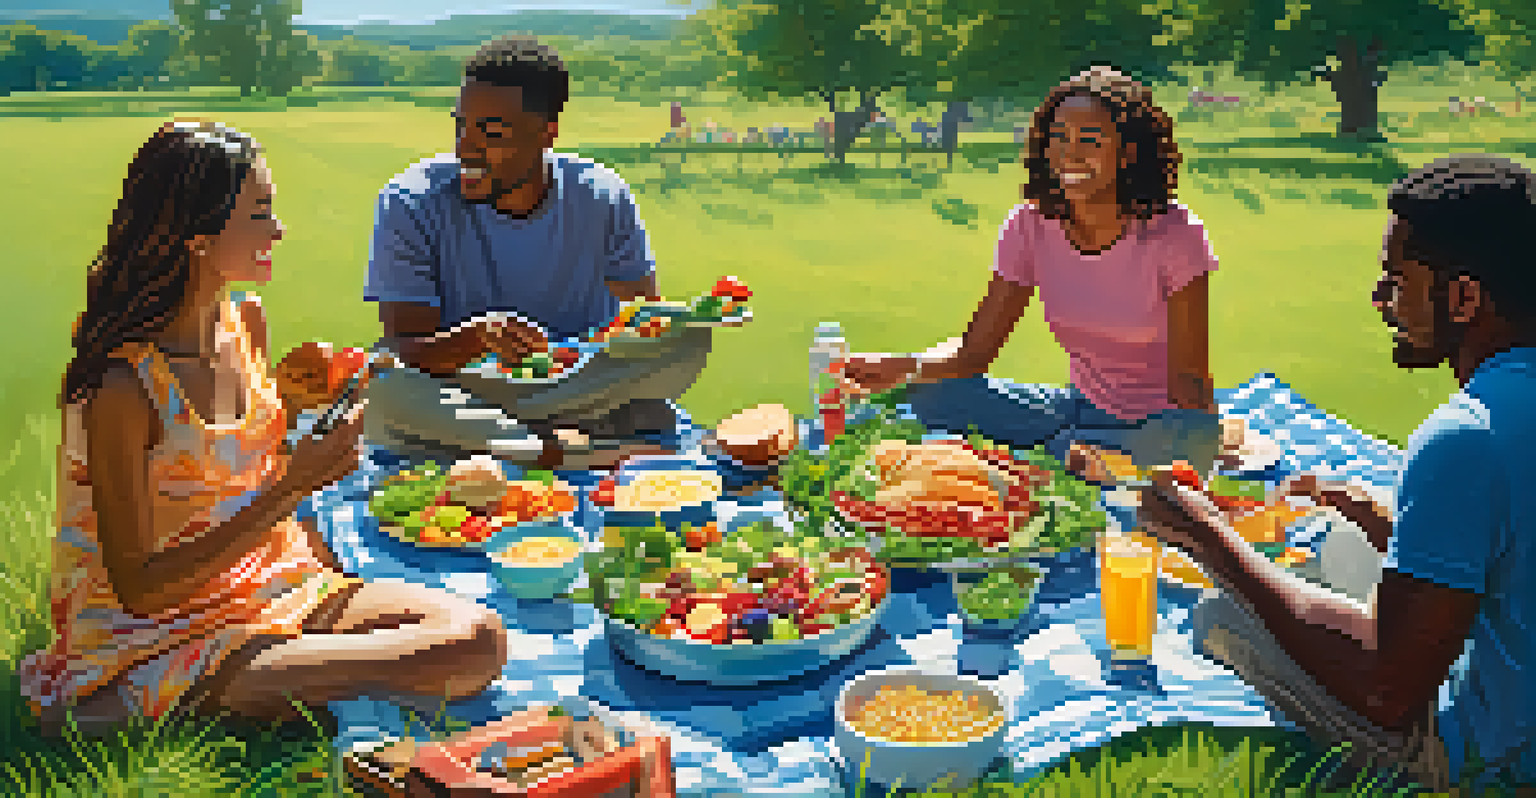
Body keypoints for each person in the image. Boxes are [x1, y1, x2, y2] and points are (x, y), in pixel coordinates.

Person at [19, 119, 507, 737]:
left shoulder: (246, 322)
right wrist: (292, 489)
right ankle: (125, 703)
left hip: (271, 583)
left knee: (477, 639)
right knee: (449, 660)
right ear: (197, 236)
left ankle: (304, 688)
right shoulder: (124, 386)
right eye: (259, 213)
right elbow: (139, 588)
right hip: (156, 634)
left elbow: (230, 469)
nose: (278, 231)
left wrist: (296, 407)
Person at [1134, 155, 1536, 794]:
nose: (1380, 300)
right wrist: (1382, 516)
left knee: (1221, 615)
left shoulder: (1465, 436)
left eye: (1395, 279)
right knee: (1348, 545)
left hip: (1491, 761)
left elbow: (1387, 689)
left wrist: (1210, 539)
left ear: (1463, 297)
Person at [844, 65, 1221, 471]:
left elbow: (1190, 381)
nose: (1069, 154)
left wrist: (1198, 450)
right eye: (1059, 138)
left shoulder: (1175, 233)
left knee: (1099, 460)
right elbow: (975, 354)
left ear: (1128, 152)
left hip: (1156, 425)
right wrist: (902, 368)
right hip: (1076, 409)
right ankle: (1070, 450)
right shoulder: (1029, 224)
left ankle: (1072, 454)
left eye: (1090, 141)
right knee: (929, 394)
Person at [363, 35, 683, 469]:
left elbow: (646, 319)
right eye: (461, 126)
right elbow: (404, 348)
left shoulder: (602, 195)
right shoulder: (410, 201)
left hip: (581, 387)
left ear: (547, 131)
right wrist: (476, 338)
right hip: (469, 391)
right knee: (383, 382)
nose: (466, 147)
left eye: (491, 132)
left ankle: (513, 445)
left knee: (690, 340)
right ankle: (551, 450)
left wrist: (647, 334)